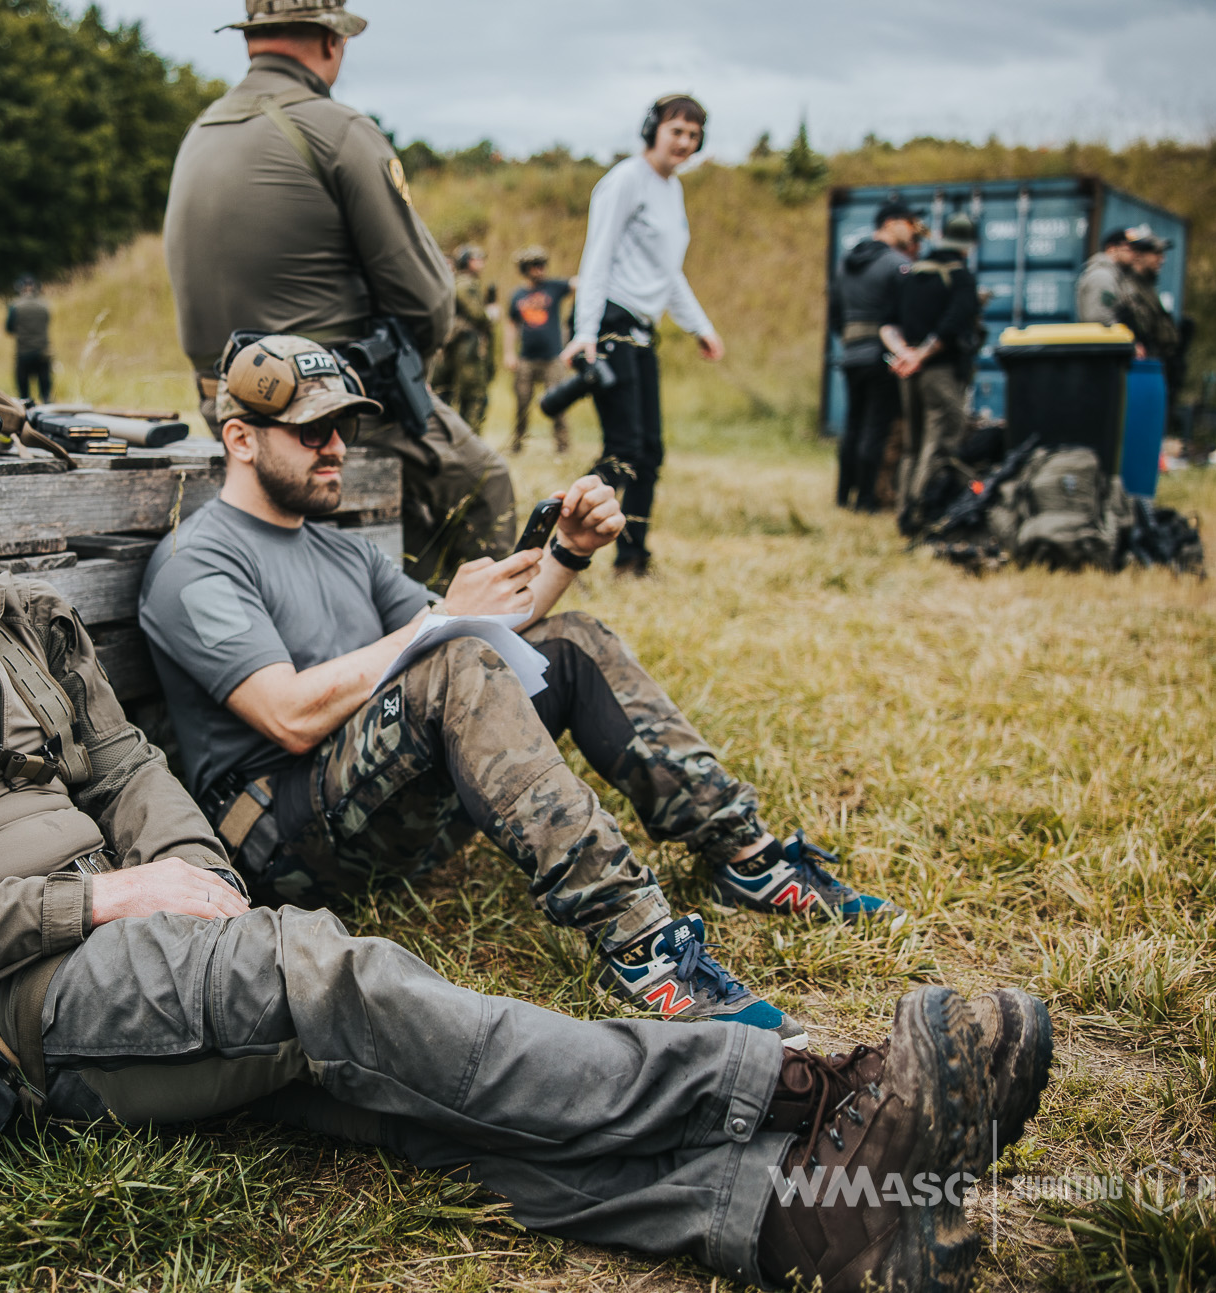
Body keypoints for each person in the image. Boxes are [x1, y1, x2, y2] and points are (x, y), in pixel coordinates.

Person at [0, 347, 1051, 1293]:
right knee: (328, 978)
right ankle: (802, 1088)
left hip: (131, 936)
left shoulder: (14, 618)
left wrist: (180, 866)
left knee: (385, 1086)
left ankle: (786, 1220)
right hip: (8, 1006)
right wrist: (103, 899)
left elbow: (125, 772)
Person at [139, 333, 908, 1050]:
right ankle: (643, 947)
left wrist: (568, 550)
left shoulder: (339, 549)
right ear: (241, 438)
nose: (337, 447)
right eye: (313, 431)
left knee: (570, 641)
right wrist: (444, 617)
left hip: (373, 801)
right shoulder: (196, 562)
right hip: (282, 835)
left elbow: (491, 621)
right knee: (458, 659)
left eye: (342, 427)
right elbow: (289, 713)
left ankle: (748, 855)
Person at [162, 0, 515, 585]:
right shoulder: (338, 130)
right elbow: (427, 301)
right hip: (328, 404)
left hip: (225, 406)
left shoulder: (201, 133)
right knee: (481, 482)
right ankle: (466, 646)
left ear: (249, 40)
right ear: (333, 40)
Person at [560, 95, 725, 577]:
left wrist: (701, 327)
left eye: (694, 136)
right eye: (677, 130)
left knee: (649, 453)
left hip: (643, 328)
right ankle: (556, 530)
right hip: (611, 324)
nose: (685, 142)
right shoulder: (626, 181)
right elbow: (598, 257)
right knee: (626, 450)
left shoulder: (671, 190)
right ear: (653, 129)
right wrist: (586, 331)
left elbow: (668, 274)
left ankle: (633, 559)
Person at [881, 213, 981, 533]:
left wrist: (905, 355)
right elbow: (952, 325)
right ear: (968, 246)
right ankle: (922, 513)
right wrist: (921, 355)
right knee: (939, 443)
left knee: (913, 444)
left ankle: (903, 511)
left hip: (908, 372)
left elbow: (887, 322)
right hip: (940, 373)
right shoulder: (960, 276)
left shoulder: (912, 273)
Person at [829, 199, 923, 511]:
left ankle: (843, 496)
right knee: (875, 427)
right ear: (892, 223)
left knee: (852, 426)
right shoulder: (897, 265)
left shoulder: (845, 263)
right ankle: (867, 499)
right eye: (909, 223)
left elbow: (835, 315)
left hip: (850, 353)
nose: (912, 233)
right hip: (882, 356)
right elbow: (907, 316)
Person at [1079, 225, 1184, 422]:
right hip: (1107, 367)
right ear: (1112, 249)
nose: (1133, 254)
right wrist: (1130, 345)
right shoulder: (1103, 277)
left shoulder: (1115, 277)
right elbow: (1100, 321)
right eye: (1128, 248)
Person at [504, 246, 574, 453]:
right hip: (526, 358)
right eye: (536, 265)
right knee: (522, 403)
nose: (541, 269)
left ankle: (563, 446)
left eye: (543, 264)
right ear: (526, 268)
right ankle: (517, 444)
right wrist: (508, 353)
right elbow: (511, 325)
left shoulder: (554, 287)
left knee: (558, 402)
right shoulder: (517, 295)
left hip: (553, 357)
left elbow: (581, 284)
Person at [430, 244, 495, 431]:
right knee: (473, 396)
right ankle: (469, 439)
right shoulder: (465, 284)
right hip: (466, 348)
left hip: (457, 347)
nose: (481, 263)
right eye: (476, 259)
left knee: (452, 394)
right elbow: (477, 314)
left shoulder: (457, 282)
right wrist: (489, 315)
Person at [4, 277, 53, 404]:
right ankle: (46, 402)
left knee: (24, 393)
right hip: (43, 350)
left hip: (24, 351)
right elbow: (47, 322)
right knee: (45, 389)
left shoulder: (15, 306)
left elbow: (9, 328)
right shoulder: (44, 305)